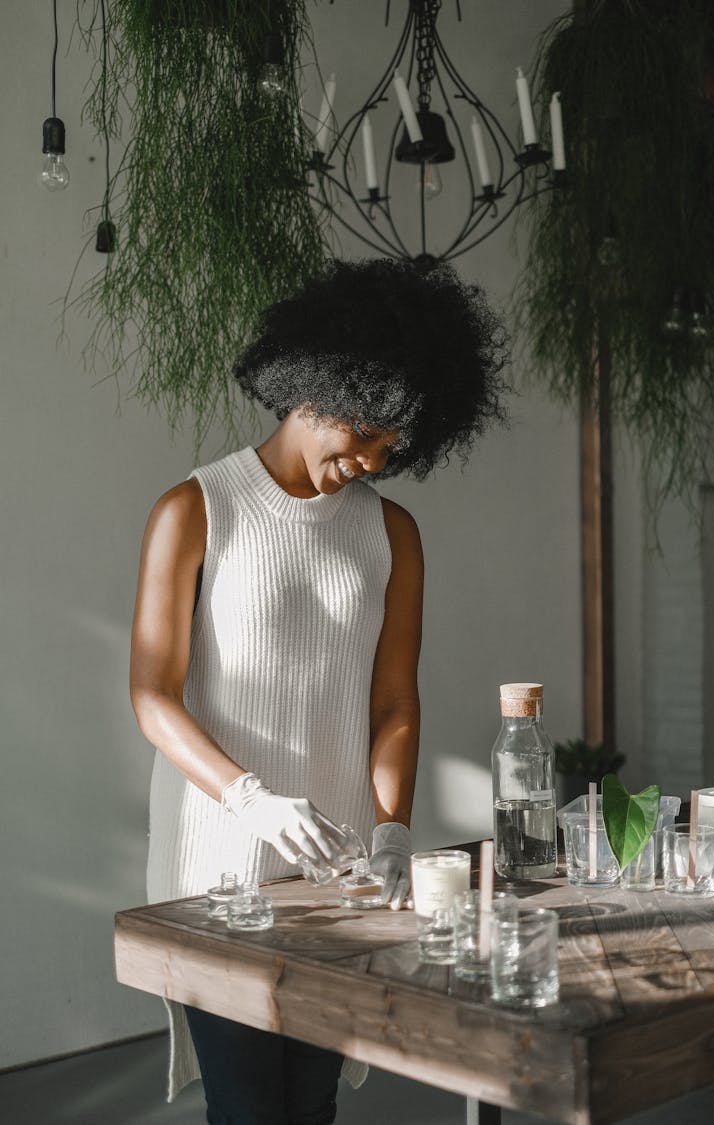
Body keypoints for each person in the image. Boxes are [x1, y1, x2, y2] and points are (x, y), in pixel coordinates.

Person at [129, 257, 509, 1125]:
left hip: (337, 880)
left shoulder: (391, 533)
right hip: (217, 874)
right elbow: (152, 695)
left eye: (392, 446)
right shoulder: (195, 510)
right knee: (252, 1110)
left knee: (312, 1106)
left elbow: (394, 705)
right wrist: (252, 800)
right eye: (366, 432)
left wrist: (392, 831)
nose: (372, 459)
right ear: (316, 383)